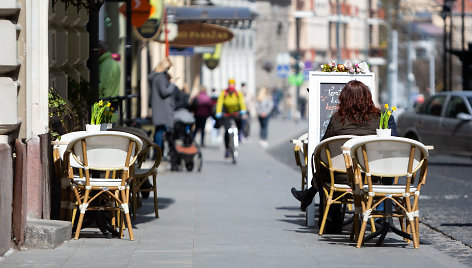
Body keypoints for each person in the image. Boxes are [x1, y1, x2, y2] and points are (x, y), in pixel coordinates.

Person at [290, 80, 398, 233]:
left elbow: (322, 150)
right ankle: (381, 215)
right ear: (368, 98)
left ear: (344, 99)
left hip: (340, 178)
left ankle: (327, 215)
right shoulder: (379, 119)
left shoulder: (336, 120)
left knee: (322, 164)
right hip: (371, 178)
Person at [148, 58, 178, 157]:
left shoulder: (155, 77)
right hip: (162, 108)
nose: (168, 70)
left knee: (159, 130)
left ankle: (158, 153)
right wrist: (173, 84)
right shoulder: (160, 77)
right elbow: (165, 92)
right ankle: (158, 154)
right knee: (160, 131)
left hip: (158, 107)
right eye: (168, 68)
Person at [215, 78, 248, 158]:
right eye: (230, 84)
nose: (231, 86)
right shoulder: (224, 93)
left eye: (232, 85)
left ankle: (240, 134)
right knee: (227, 130)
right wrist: (218, 112)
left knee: (240, 122)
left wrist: (243, 111)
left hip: (236, 112)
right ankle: (227, 149)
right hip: (227, 113)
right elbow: (219, 103)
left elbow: (242, 103)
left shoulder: (238, 93)